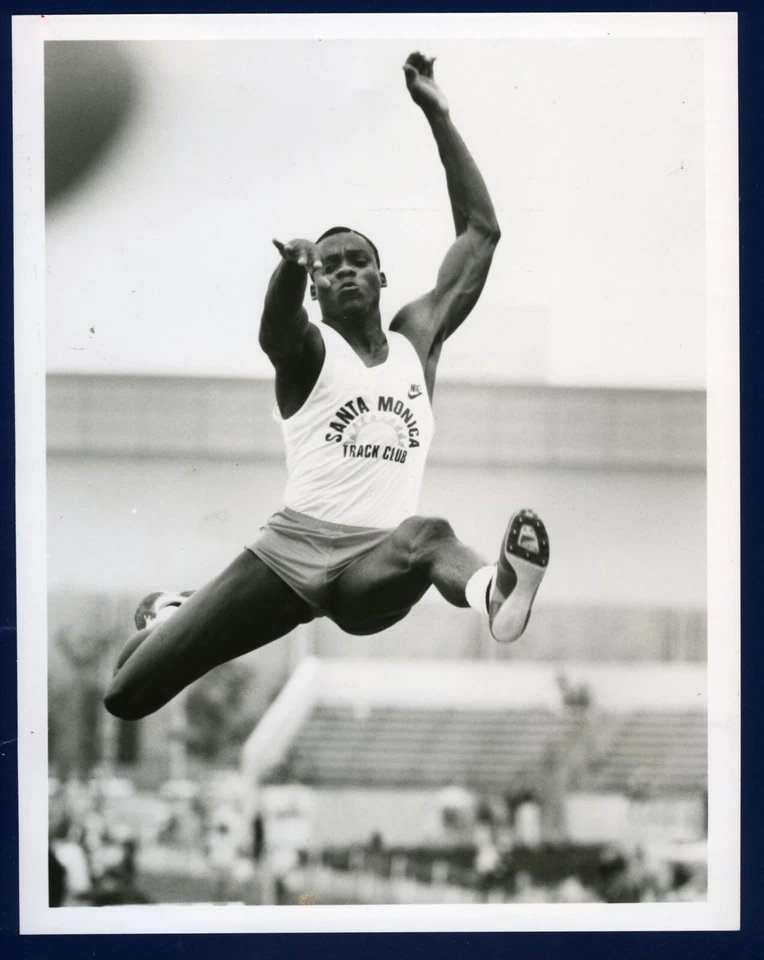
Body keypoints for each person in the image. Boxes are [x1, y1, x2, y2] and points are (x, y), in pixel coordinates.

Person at [104, 52, 550, 723]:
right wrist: (288, 270)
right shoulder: (312, 352)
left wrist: (438, 114)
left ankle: (495, 591)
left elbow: (481, 233)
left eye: (358, 261)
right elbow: (277, 329)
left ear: (382, 278)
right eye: (329, 265)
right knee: (125, 695)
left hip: (374, 564)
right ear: (317, 287)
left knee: (429, 533)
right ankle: (174, 612)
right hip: (290, 552)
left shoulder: (415, 342)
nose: (344, 271)